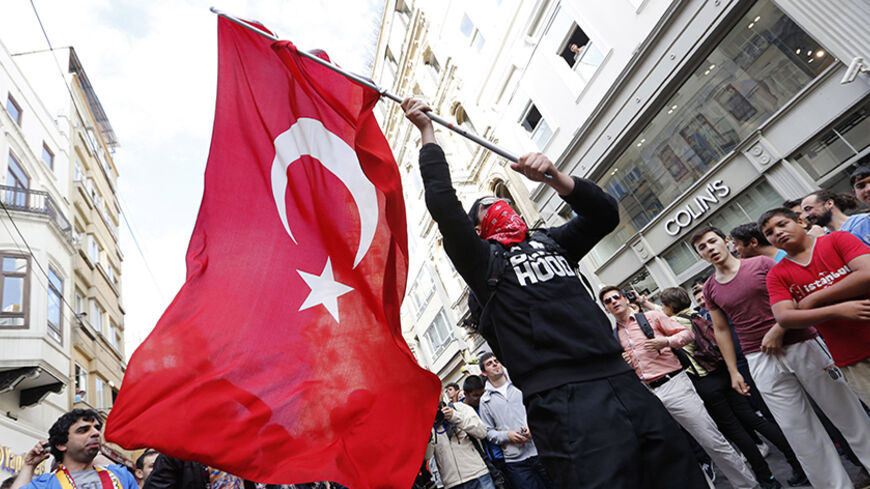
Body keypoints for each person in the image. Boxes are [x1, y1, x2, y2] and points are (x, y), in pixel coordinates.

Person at [403, 97, 708, 489]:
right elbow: (443, 204)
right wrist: (427, 132)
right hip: (564, 404)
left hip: (624, 382)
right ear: (477, 228)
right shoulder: (483, 263)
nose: (500, 207)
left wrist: (556, 178)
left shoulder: (551, 241)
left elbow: (604, 215)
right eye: (487, 208)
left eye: (502, 201)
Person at [691, 225, 870, 489]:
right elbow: (720, 330)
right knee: (798, 431)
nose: (710, 249)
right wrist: (733, 371)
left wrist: (779, 328)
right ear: (701, 256)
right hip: (758, 357)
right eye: (702, 248)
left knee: (846, 413)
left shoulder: (762, 264)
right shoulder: (709, 288)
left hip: (802, 342)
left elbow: (796, 298)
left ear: (727, 242)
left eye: (712, 241)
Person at [599, 286, 759, 489]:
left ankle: (747, 485)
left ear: (624, 299)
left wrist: (666, 341)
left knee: (710, 439)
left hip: (674, 383)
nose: (613, 301)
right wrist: (624, 362)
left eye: (616, 297)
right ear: (606, 309)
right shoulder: (614, 336)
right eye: (608, 301)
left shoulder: (652, 317)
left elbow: (687, 334)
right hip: (647, 393)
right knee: (676, 449)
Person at [659, 287, 804, 488]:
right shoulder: (698, 316)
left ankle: (767, 479)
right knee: (754, 420)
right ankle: (797, 463)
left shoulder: (674, 325)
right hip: (724, 373)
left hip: (705, 382)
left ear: (670, 307)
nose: (662, 309)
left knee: (736, 432)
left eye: (663, 305)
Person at [760, 207, 870, 405]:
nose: (777, 232)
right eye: (769, 233)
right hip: (853, 359)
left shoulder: (838, 240)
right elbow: (784, 317)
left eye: (782, 224)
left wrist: (815, 298)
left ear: (801, 222)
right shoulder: (776, 275)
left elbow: (867, 273)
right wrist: (837, 310)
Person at [11, 409, 138, 489]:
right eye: (83, 430)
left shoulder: (121, 475)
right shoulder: (45, 484)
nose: (95, 433)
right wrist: (29, 465)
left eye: (97, 428)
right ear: (61, 445)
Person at [477, 353, 551, 489]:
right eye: (489, 363)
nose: (494, 364)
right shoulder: (485, 400)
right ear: (484, 372)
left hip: (540, 450)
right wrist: (507, 435)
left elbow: (538, 407)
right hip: (516, 462)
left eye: (496, 361)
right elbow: (488, 432)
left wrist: (532, 426)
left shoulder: (520, 384)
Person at [426, 394, 495, 489]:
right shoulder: (426, 422)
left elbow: (482, 432)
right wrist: (426, 434)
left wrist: (454, 416)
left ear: (441, 392)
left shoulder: (460, 408)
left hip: (478, 474)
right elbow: (427, 456)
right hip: (451, 483)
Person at [800, 190, 870, 246]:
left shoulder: (863, 222)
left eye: (808, 209)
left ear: (829, 204)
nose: (806, 216)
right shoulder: (822, 237)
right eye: (803, 212)